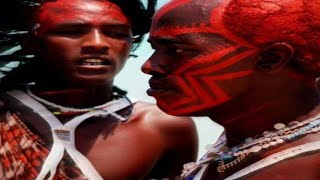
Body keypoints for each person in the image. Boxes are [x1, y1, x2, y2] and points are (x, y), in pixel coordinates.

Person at [0, 0, 199, 179]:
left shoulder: (163, 127)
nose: (97, 44)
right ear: (31, 43)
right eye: (72, 31)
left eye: (116, 33)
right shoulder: (5, 111)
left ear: (132, 44)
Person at [142, 0, 320, 179]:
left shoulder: (307, 166)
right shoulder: (243, 139)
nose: (149, 66)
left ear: (271, 59)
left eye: (176, 50)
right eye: (155, 48)